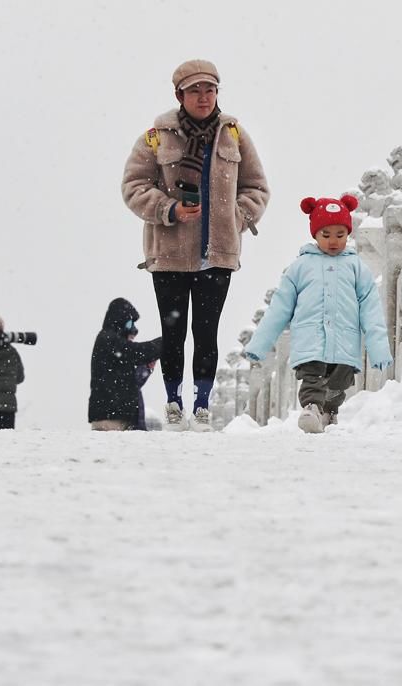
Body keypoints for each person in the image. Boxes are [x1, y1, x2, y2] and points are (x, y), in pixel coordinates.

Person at [122, 59, 270, 432]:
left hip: (217, 255)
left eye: (210, 89)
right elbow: (133, 186)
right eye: (194, 90)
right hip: (169, 255)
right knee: (173, 334)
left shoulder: (233, 133)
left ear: (218, 93)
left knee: (206, 333)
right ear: (179, 95)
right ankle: (174, 402)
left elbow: (257, 187)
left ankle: (201, 406)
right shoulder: (157, 135)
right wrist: (168, 209)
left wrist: (237, 217)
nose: (203, 97)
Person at [244, 195, 393, 433]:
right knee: (312, 379)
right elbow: (279, 308)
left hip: (345, 342)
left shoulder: (356, 268)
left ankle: (330, 411)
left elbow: (371, 309)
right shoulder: (300, 267)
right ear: (315, 234)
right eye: (326, 235)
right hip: (310, 339)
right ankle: (311, 408)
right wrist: (260, 345)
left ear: (348, 235)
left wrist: (379, 349)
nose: (333, 241)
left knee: (339, 384)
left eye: (340, 235)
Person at [88, 298, 162, 431]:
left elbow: (130, 382)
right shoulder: (107, 339)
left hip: (118, 419)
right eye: (129, 323)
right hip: (110, 421)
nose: (133, 329)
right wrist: (165, 343)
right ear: (119, 320)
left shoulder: (114, 346)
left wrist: (146, 368)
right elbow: (139, 352)